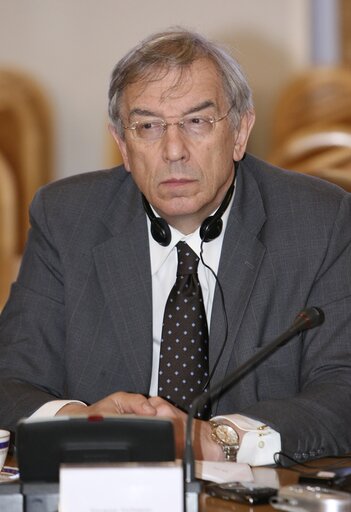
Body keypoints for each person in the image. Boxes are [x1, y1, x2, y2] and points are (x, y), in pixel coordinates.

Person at [1, 28, 351, 467]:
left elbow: (342, 389)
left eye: (197, 122)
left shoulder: (320, 220)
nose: (173, 150)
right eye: (148, 126)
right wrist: (82, 423)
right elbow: (10, 378)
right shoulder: (65, 217)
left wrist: (214, 439)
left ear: (241, 131)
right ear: (123, 145)